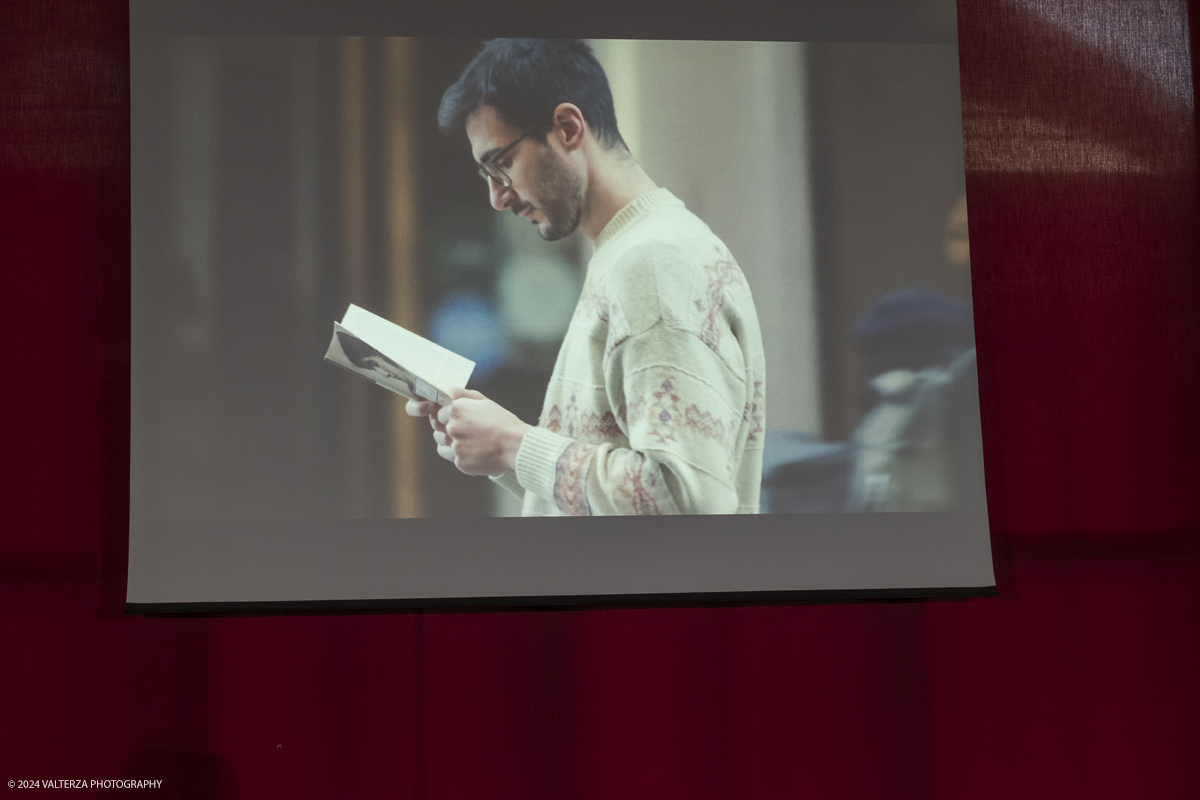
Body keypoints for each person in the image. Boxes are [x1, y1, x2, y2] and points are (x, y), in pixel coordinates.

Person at [409, 38, 766, 515]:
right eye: (486, 174)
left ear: (567, 127)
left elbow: (685, 500)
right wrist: (499, 448)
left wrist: (516, 445)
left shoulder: (653, 263)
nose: (497, 197)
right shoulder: (630, 251)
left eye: (502, 164)